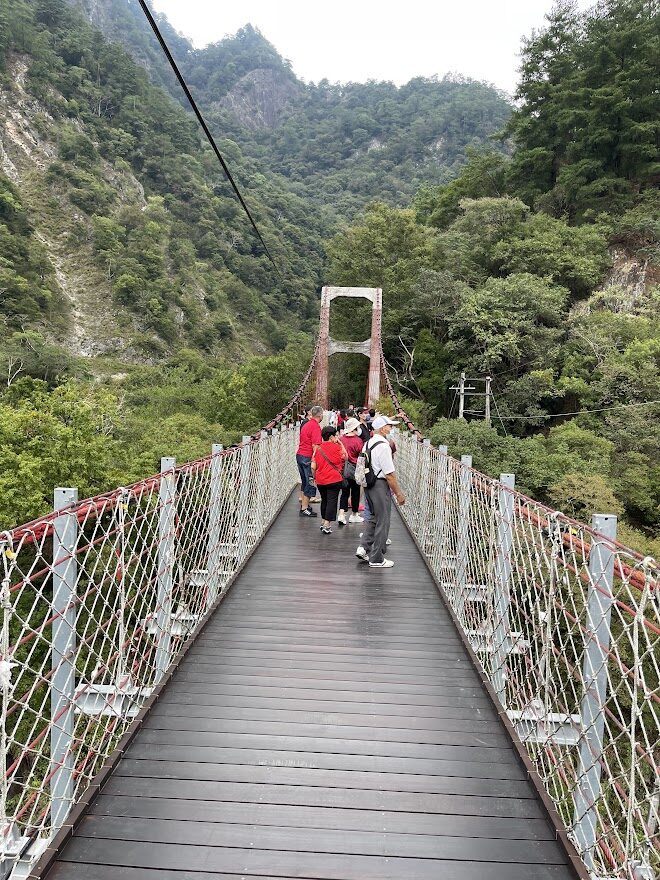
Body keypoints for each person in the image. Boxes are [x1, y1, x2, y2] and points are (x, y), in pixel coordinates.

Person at [356, 415, 405, 568]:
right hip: (379, 485)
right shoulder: (384, 446)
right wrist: (398, 493)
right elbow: (389, 474)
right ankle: (376, 558)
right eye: (389, 426)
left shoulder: (368, 443)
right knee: (383, 521)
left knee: (372, 519)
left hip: (368, 484)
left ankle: (363, 548)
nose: (391, 428)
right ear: (382, 428)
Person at [311, 426, 347, 534]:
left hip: (321, 480)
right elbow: (346, 457)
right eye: (335, 435)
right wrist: (340, 443)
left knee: (325, 500)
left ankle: (323, 521)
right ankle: (327, 524)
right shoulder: (337, 447)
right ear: (331, 436)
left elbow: (313, 466)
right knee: (332, 500)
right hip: (334, 479)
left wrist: (314, 477)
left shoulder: (318, 449)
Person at [296, 405, 323, 517]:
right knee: (310, 482)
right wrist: (315, 460)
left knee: (304, 480)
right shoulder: (316, 427)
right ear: (320, 415)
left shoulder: (306, 424)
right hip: (308, 457)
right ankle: (304, 508)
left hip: (300, 455)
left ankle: (304, 505)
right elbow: (315, 445)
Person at [337, 417, 364, 525]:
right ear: (355, 427)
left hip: (343, 469)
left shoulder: (341, 439)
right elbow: (361, 456)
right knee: (355, 492)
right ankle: (354, 514)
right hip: (355, 469)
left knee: (344, 492)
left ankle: (341, 514)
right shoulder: (358, 440)